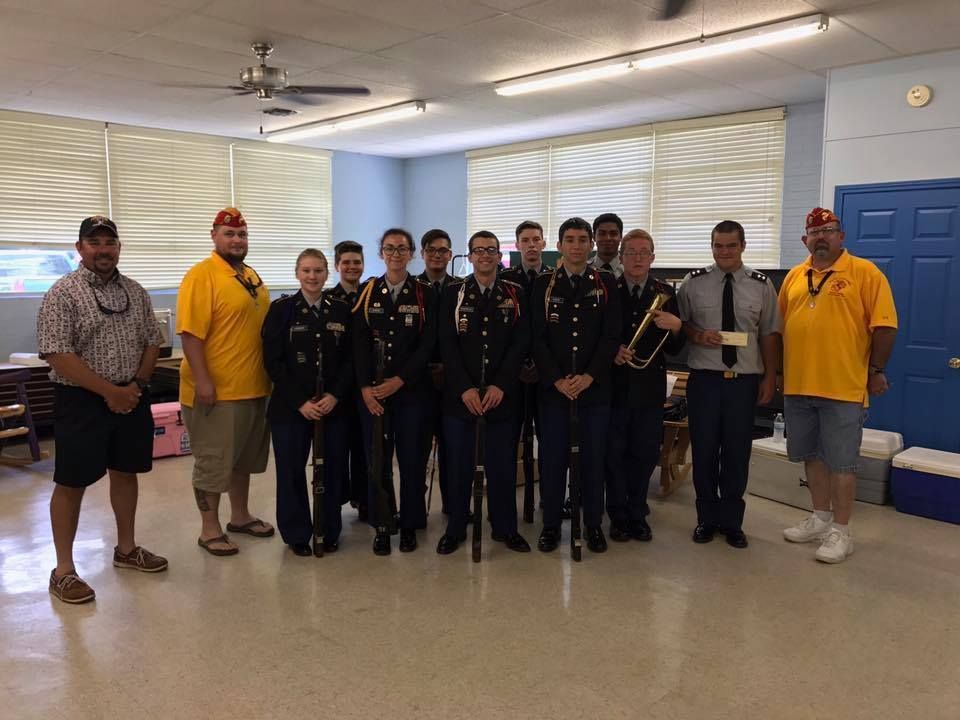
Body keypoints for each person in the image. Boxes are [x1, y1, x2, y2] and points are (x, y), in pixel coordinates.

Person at [37, 216, 167, 604]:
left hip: (131, 396)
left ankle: (126, 549)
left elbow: (151, 341)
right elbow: (58, 354)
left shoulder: (136, 291)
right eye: (94, 242)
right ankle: (63, 570)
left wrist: (136, 387)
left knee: (126, 473)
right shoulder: (63, 293)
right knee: (72, 482)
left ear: (118, 248)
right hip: (81, 401)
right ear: (80, 248)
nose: (103, 249)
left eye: (109, 242)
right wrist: (109, 391)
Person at [779, 207, 898, 563]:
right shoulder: (794, 276)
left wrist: (875, 370)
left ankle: (841, 532)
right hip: (799, 385)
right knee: (812, 457)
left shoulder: (865, 273)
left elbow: (886, 327)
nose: (821, 238)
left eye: (829, 231)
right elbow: (782, 326)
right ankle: (820, 517)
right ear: (805, 240)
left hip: (843, 388)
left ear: (841, 236)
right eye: (815, 233)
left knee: (842, 463)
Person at [177, 207, 274, 557]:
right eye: (229, 234)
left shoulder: (249, 275)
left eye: (242, 234)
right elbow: (190, 335)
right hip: (216, 392)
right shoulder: (202, 275)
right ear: (214, 236)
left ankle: (241, 516)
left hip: (254, 386)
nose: (236, 240)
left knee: (241, 460)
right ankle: (209, 528)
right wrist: (203, 382)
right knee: (213, 461)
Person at [677, 220, 779, 549]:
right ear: (711, 247)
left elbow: (769, 334)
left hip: (743, 382)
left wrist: (771, 376)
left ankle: (732, 522)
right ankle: (706, 519)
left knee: (737, 453)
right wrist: (696, 334)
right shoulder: (693, 283)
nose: (724, 252)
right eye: (718, 246)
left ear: (743, 246)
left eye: (731, 246)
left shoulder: (761, 285)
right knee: (704, 450)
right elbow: (681, 325)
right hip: (705, 380)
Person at [435, 230, 531, 555]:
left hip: (501, 396)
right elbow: (447, 344)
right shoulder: (453, 293)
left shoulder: (515, 293)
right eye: (479, 250)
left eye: (491, 250)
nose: (486, 256)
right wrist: (463, 387)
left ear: (499, 256)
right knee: (460, 466)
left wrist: (501, 384)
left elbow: (521, 343)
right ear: (470, 256)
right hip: (461, 398)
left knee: (502, 466)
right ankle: (457, 527)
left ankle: (505, 528)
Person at [532, 217, 621, 554]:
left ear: (591, 245)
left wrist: (589, 376)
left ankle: (593, 524)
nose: (577, 246)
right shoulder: (544, 284)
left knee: (593, 459)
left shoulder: (606, 283)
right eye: (570, 240)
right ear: (559, 245)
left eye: (583, 240)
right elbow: (537, 338)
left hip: (594, 390)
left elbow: (611, 335)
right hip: (555, 391)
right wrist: (556, 378)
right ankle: (552, 525)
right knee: (553, 460)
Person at [262, 249, 353, 556]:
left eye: (318, 271)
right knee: (290, 472)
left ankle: (328, 529)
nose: (312, 276)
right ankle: (297, 532)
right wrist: (301, 402)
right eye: (306, 271)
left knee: (332, 469)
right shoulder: (282, 310)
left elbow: (351, 361)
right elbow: (273, 362)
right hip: (291, 408)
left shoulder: (341, 310)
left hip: (332, 407)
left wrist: (334, 395)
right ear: (297, 273)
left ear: (328, 273)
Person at [353, 228, 436, 555]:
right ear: (381, 253)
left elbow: (428, 345)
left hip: (411, 391)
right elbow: (357, 343)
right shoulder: (367, 290)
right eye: (389, 248)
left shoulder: (424, 293)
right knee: (378, 461)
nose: (396, 254)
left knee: (413, 460)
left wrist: (399, 380)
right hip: (373, 394)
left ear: (412, 253)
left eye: (402, 248)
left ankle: (411, 523)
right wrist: (364, 389)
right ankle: (383, 524)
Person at [606, 229, 684, 543]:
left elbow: (676, 350)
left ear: (652, 257)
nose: (637, 258)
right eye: (631, 252)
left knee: (644, 453)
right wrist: (612, 349)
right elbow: (596, 334)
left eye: (643, 252)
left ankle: (637, 512)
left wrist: (677, 326)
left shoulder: (665, 291)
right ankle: (617, 514)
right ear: (621, 257)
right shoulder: (608, 289)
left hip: (650, 388)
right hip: (614, 387)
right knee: (614, 454)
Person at [500, 220, 551, 515]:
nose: (531, 245)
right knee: (508, 442)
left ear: (544, 244)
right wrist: (518, 365)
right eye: (525, 241)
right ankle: (506, 505)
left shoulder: (555, 277)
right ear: (517, 245)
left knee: (548, 443)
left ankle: (548, 498)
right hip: (512, 377)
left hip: (546, 376)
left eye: (536, 240)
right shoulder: (506, 279)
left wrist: (541, 365)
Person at [417, 229, 459, 516]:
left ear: (450, 254)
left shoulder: (460, 287)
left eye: (443, 250)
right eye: (432, 249)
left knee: (453, 449)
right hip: (418, 380)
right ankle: (414, 508)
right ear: (422, 253)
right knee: (417, 449)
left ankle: (453, 506)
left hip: (454, 379)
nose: (437, 255)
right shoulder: (412, 287)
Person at [328, 240, 368, 521]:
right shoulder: (329, 300)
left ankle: (365, 500)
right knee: (337, 449)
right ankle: (337, 501)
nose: (352, 267)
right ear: (337, 266)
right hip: (339, 387)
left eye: (357, 262)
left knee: (365, 448)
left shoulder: (372, 294)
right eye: (347, 263)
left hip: (367, 386)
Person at [588, 213, 624, 277]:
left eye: (613, 234)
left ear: (621, 237)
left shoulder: (630, 269)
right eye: (602, 234)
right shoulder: (584, 269)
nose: (608, 238)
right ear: (593, 237)